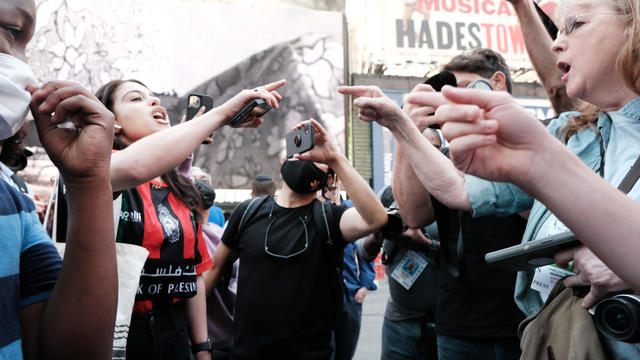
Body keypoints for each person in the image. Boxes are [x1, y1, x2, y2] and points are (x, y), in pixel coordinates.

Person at [424, 0, 640, 356]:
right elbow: (458, 190)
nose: (557, 42)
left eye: (576, 24)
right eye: (558, 30)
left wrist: (622, 262)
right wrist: (401, 126)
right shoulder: (573, 133)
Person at [340, 49, 527, 360]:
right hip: (457, 322)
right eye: (447, 94)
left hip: (524, 318)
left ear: (498, 83)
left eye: (465, 88)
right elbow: (414, 214)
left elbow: (534, 206)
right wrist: (404, 129)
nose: (453, 100)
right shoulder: (442, 161)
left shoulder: (534, 140)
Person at [94, 78, 284, 360]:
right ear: (114, 123)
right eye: (136, 99)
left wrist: (201, 347)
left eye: (153, 96)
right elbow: (135, 165)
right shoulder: (101, 166)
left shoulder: (179, 188)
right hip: (117, 333)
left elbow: (192, 275)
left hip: (175, 332)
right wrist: (220, 115)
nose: (155, 101)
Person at [208, 119, 387, 359]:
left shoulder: (331, 219)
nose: (306, 160)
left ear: (330, 178)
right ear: (283, 163)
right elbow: (214, 269)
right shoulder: (248, 212)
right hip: (246, 352)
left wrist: (335, 157)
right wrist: (197, 338)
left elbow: (376, 219)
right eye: (299, 155)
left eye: (318, 161)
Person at [0, 0, 117, 358]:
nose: (21, 65)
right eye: (12, 29)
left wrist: (87, 181)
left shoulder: (12, 202)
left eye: (25, 42)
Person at [358, 185, 440, 360]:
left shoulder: (447, 195)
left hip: (445, 322)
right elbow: (364, 253)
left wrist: (425, 245)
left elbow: (468, 258)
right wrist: (377, 236)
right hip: (398, 323)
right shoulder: (388, 195)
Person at [321, 175, 377, 360]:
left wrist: (365, 285)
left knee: (346, 350)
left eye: (334, 186)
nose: (331, 190)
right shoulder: (318, 213)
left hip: (351, 293)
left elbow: (365, 251)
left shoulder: (353, 211)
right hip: (324, 297)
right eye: (326, 188)